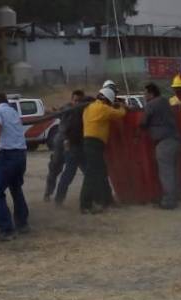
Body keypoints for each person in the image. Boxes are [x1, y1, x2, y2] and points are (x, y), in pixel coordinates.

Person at [0, 93, 29, 240]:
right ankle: (22, 224)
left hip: (7, 154)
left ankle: (6, 230)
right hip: (21, 154)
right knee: (16, 188)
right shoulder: (13, 112)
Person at [79, 86, 125, 214]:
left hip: (89, 143)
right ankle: (85, 205)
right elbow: (121, 114)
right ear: (108, 100)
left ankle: (106, 200)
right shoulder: (103, 109)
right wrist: (121, 106)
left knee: (102, 173)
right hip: (94, 144)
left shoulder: (89, 107)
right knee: (92, 175)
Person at [139, 82, 181, 209]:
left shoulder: (151, 104)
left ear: (151, 94)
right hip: (174, 140)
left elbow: (143, 122)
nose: (144, 95)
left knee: (166, 172)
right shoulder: (164, 101)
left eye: (145, 93)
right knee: (172, 171)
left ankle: (168, 202)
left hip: (164, 142)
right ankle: (173, 198)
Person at [44, 90, 87, 204]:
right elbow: (55, 112)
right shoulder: (68, 108)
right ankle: (48, 194)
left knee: (84, 170)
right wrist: (51, 111)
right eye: (75, 100)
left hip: (76, 143)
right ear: (72, 100)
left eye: (80, 101)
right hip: (61, 141)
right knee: (55, 168)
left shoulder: (84, 109)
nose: (77, 103)